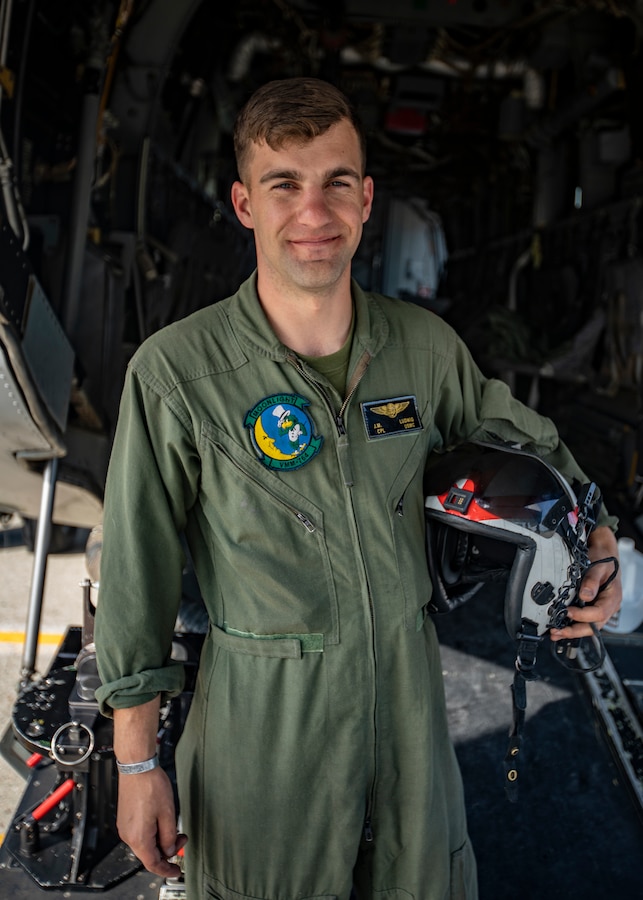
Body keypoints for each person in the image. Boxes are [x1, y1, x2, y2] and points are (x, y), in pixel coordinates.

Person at [94, 77, 622, 900]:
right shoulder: (177, 373)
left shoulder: (423, 349)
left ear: (367, 197)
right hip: (263, 728)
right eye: (284, 185)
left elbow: (533, 445)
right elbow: (138, 575)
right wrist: (136, 763)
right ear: (243, 204)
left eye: (337, 182)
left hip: (409, 717)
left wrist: (594, 537)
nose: (315, 211)